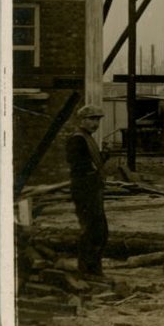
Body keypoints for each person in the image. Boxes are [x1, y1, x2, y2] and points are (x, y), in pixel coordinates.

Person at [64, 103, 110, 279]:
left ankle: (93, 269)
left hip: (92, 189)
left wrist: (103, 156)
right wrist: (91, 172)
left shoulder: (87, 138)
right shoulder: (77, 139)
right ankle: (87, 270)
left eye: (97, 120)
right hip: (85, 190)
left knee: (100, 231)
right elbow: (78, 164)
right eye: (92, 119)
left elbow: (91, 163)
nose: (95, 124)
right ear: (82, 120)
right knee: (91, 230)